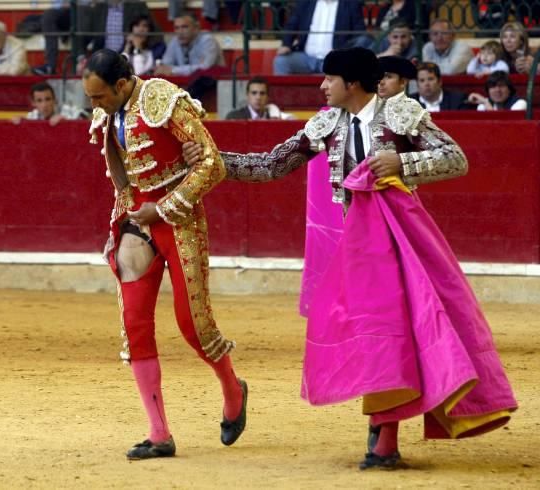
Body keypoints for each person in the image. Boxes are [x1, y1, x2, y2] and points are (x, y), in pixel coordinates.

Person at [182, 46, 517, 470]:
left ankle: (384, 437)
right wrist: (214, 161)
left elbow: (456, 158)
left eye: (328, 79)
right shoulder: (327, 124)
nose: (322, 87)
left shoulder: (401, 115)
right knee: (377, 339)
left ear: (352, 83)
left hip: (399, 247)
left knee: (390, 337)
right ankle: (384, 430)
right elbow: (271, 165)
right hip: (357, 252)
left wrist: (403, 161)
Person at [82, 49, 247, 460]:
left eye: (99, 97)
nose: (94, 106)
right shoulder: (107, 111)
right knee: (134, 323)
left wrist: (163, 207)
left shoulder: (162, 98)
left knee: (193, 325)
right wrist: (118, 226)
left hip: (179, 217)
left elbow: (211, 164)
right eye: (91, 99)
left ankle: (232, 389)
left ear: (121, 85)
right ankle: (159, 434)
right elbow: (124, 176)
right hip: (137, 221)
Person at [273, 0, 366, 75]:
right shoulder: (306, 2)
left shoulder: (351, 3)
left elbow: (359, 34)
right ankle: (284, 98)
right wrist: (286, 44)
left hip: (335, 61)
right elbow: (292, 24)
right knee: (281, 61)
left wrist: (343, 51)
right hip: (306, 57)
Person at [154, 12, 224, 76]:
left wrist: (174, 70)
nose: (180, 32)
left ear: (196, 28)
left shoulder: (208, 40)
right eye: (177, 28)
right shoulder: (175, 41)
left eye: (184, 27)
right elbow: (164, 66)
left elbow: (204, 68)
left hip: (212, 85)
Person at [13, 81, 88, 125]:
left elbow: (88, 118)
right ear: (33, 103)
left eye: (48, 99)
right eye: (39, 101)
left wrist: (67, 121)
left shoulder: (66, 110)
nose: (44, 105)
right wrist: (21, 121)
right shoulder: (32, 116)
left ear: (55, 100)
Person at [225, 76, 294, 120]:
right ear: (247, 95)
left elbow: (292, 119)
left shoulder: (275, 116)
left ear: (267, 97)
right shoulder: (233, 117)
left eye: (262, 93)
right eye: (254, 93)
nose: (258, 97)